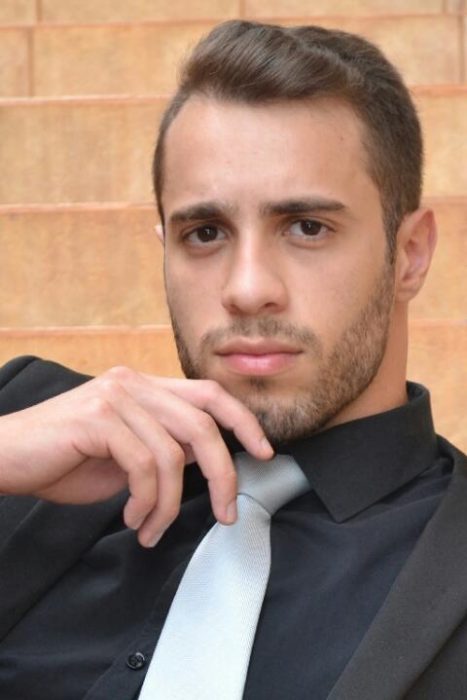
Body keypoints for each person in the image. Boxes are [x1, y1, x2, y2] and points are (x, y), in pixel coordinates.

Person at [0, 19, 465, 700]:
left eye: (307, 227)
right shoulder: (25, 428)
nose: (247, 289)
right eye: (205, 233)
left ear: (410, 255)